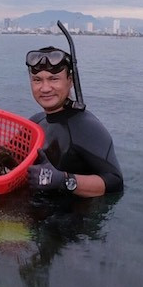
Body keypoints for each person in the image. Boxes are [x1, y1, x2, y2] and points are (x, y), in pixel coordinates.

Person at [25, 46, 123, 197]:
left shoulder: (85, 127)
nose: (45, 88)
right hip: (35, 209)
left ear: (70, 81)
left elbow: (115, 182)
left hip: (72, 216)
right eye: (37, 80)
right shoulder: (36, 122)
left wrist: (64, 180)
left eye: (54, 79)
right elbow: (8, 158)